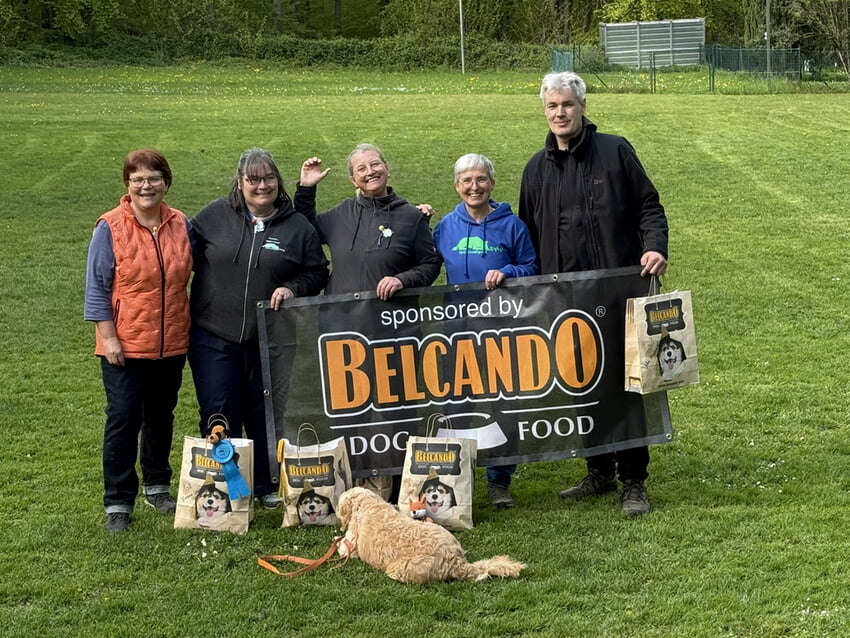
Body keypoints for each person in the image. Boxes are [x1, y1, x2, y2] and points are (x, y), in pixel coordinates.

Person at [518, 72, 669, 516]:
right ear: (544, 111)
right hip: (565, 300)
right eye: (552, 106)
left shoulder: (615, 151)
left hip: (619, 292)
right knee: (582, 383)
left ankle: (634, 480)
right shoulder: (535, 169)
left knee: (626, 384)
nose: (560, 113)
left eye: (567, 104)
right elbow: (527, 235)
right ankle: (599, 470)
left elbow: (649, 206)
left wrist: (655, 247)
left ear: (583, 107)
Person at [298, 143, 442, 501]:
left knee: (395, 411)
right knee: (348, 410)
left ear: (387, 168)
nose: (370, 172)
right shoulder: (339, 215)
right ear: (353, 179)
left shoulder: (410, 217)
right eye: (361, 169)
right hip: (342, 332)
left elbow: (430, 264)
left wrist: (403, 280)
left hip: (394, 332)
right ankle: (351, 485)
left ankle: (397, 487)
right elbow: (302, 230)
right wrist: (306, 189)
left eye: (375, 164)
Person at [188, 148, 329, 509]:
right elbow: (179, 250)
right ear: (240, 182)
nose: (261, 186)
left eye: (268, 178)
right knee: (219, 407)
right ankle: (226, 488)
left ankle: (266, 483)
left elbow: (317, 272)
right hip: (212, 335)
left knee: (265, 411)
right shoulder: (213, 216)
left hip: (271, 338)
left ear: (277, 181)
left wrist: (292, 288)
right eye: (253, 179)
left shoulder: (297, 227)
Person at [85, 149, 192, 532]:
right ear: (127, 184)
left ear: (166, 182)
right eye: (138, 179)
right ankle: (118, 501)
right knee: (124, 418)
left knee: (161, 416)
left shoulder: (181, 224)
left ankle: (157, 485)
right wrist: (109, 338)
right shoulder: (110, 227)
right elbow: (96, 289)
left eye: (154, 178)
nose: (146, 186)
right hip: (124, 345)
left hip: (171, 341)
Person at [432, 153, 539, 510]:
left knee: (503, 402)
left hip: (501, 328)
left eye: (481, 179)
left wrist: (509, 272)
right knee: (456, 402)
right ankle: (453, 477)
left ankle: (499, 480)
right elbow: (427, 263)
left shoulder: (513, 226)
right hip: (457, 329)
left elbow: (532, 266)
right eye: (466, 180)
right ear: (456, 186)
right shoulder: (445, 226)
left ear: (492, 183)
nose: (474, 186)